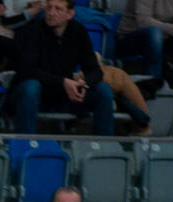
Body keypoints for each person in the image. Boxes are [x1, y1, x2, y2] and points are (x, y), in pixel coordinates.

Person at [11, 0, 116, 136]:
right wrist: (63, 82)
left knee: (103, 89)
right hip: (35, 92)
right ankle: (25, 142)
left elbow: (95, 71)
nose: (51, 13)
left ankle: (105, 144)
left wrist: (84, 83)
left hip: (64, 94)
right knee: (31, 86)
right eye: (49, 8)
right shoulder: (33, 30)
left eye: (58, 9)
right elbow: (26, 70)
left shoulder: (78, 31)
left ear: (70, 14)